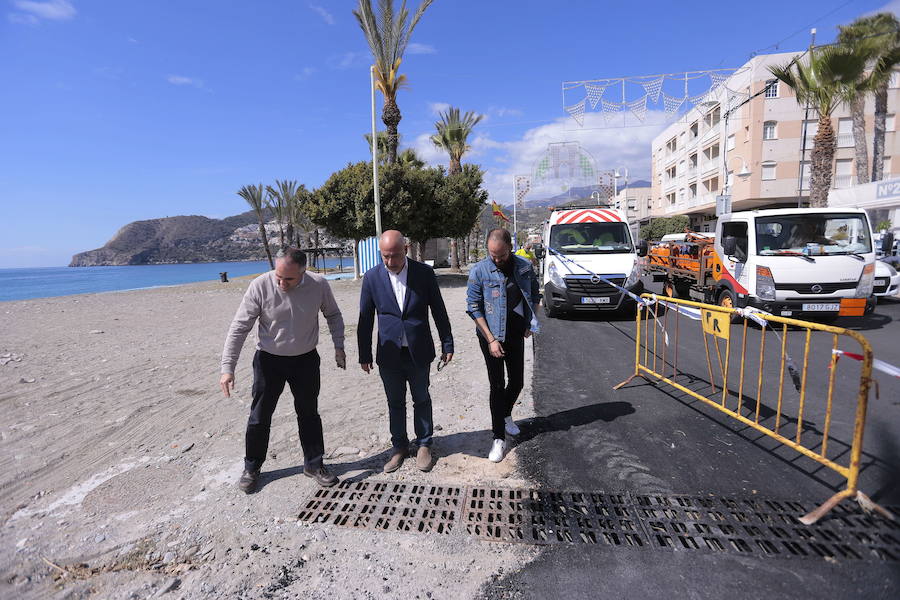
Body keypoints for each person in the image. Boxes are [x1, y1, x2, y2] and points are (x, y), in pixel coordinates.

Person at [220, 248, 346, 494]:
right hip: (269, 361)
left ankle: (314, 464)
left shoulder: (318, 285)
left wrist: (338, 346)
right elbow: (239, 328)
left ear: (303, 272)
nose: (281, 282)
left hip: (306, 360)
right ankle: (252, 467)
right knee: (259, 416)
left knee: (309, 413)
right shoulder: (260, 285)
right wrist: (228, 368)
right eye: (278, 275)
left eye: (288, 278)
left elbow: (333, 314)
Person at [358, 230, 454, 473]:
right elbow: (365, 319)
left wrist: (447, 342)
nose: (390, 262)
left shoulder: (424, 273)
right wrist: (364, 354)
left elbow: (439, 310)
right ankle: (399, 447)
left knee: (421, 398)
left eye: (395, 256)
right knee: (395, 402)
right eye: (385, 257)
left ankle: (424, 444)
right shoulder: (371, 278)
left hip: (418, 350)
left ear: (407, 249)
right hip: (388, 354)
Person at [466, 228, 540, 463]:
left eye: (501, 255)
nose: (496, 260)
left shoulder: (524, 267)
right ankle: (498, 437)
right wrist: (491, 339)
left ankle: (505, 413)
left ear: (510, 247)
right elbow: (473, 306)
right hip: (490, 334)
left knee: (517, 381)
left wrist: (530, 321)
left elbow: (535, 294)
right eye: (492, 255)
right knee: (496, 385)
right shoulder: (479, 270)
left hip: (515, 332)